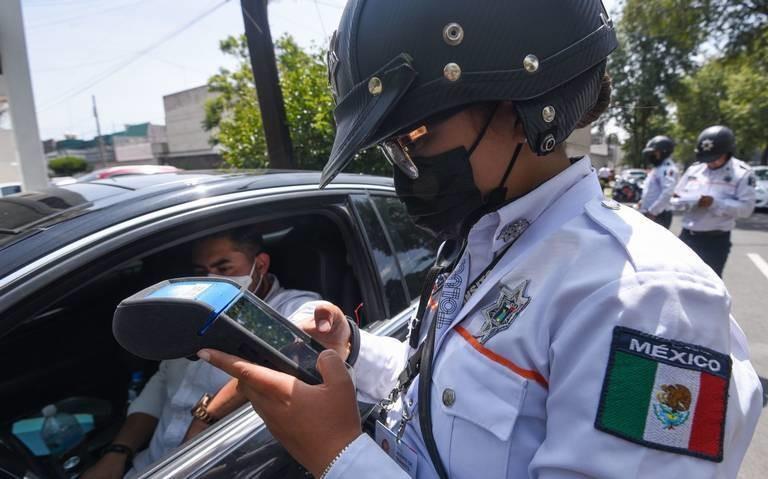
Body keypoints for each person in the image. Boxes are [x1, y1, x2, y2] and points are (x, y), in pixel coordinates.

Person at [199, 2, 762, 478]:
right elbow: (449, 392)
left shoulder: (646, 301)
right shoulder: (489, 244)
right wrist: (354, 350)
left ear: (524, 103)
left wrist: (339, 456)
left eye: (415, 134)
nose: (406, 168)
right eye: (392, 148)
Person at [83, 227, 320, 478]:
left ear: (260, 265)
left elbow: (286, 358)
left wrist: (204, 419)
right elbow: (160, 385)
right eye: (201, 272)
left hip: (222, 467)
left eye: (223, 268)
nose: (211, 279)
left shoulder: (296, 308)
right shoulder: (189, 313)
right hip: (149, 466)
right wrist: (118, 452)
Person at [672, 126, 756, 277]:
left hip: (715, 241)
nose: (710, 163)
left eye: (715, 158)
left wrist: (715, 203)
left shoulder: (742, 173)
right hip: (687, 236)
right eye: (706, 158)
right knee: (680, 280)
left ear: (727, 152)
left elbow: (746, 209)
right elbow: (675, 197)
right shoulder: (695, 170)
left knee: (710, 287)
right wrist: (688, 202)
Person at [638, 135, 679, 229]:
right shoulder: (658, 168)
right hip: (650, 213)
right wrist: (642, 202)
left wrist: (653, 212)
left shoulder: (667, 169)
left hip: (658, 215)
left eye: (654, 152)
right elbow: (651, 190)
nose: (651, 155)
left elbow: (667, 193)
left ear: (664, 152)